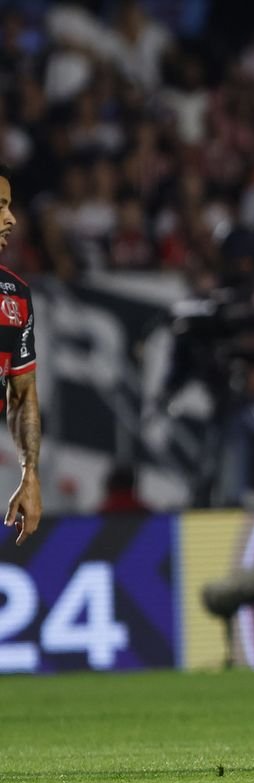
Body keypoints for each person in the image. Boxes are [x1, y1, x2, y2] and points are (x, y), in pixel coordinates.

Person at [0, 163, 41, 546]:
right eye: (0, 206)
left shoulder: (15, 296)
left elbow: (22, 394)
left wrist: (30, 473)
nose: (10, 218)